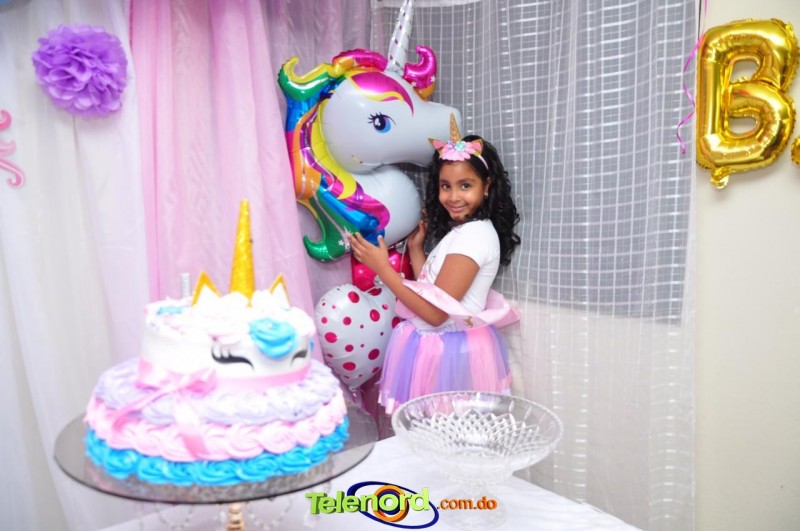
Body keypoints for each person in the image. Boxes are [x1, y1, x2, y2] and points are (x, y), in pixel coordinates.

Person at [348, 123, 521, 415]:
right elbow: (433, 293)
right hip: (441, 343)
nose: (453, 197)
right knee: (434, 429)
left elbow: (437, 314)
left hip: (447, 348)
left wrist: (383, 270)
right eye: (445, 186)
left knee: (442, 429)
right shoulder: (465, 231)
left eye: (465, 185)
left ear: (486, 186)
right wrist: (417, 250)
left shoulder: (474, 236)